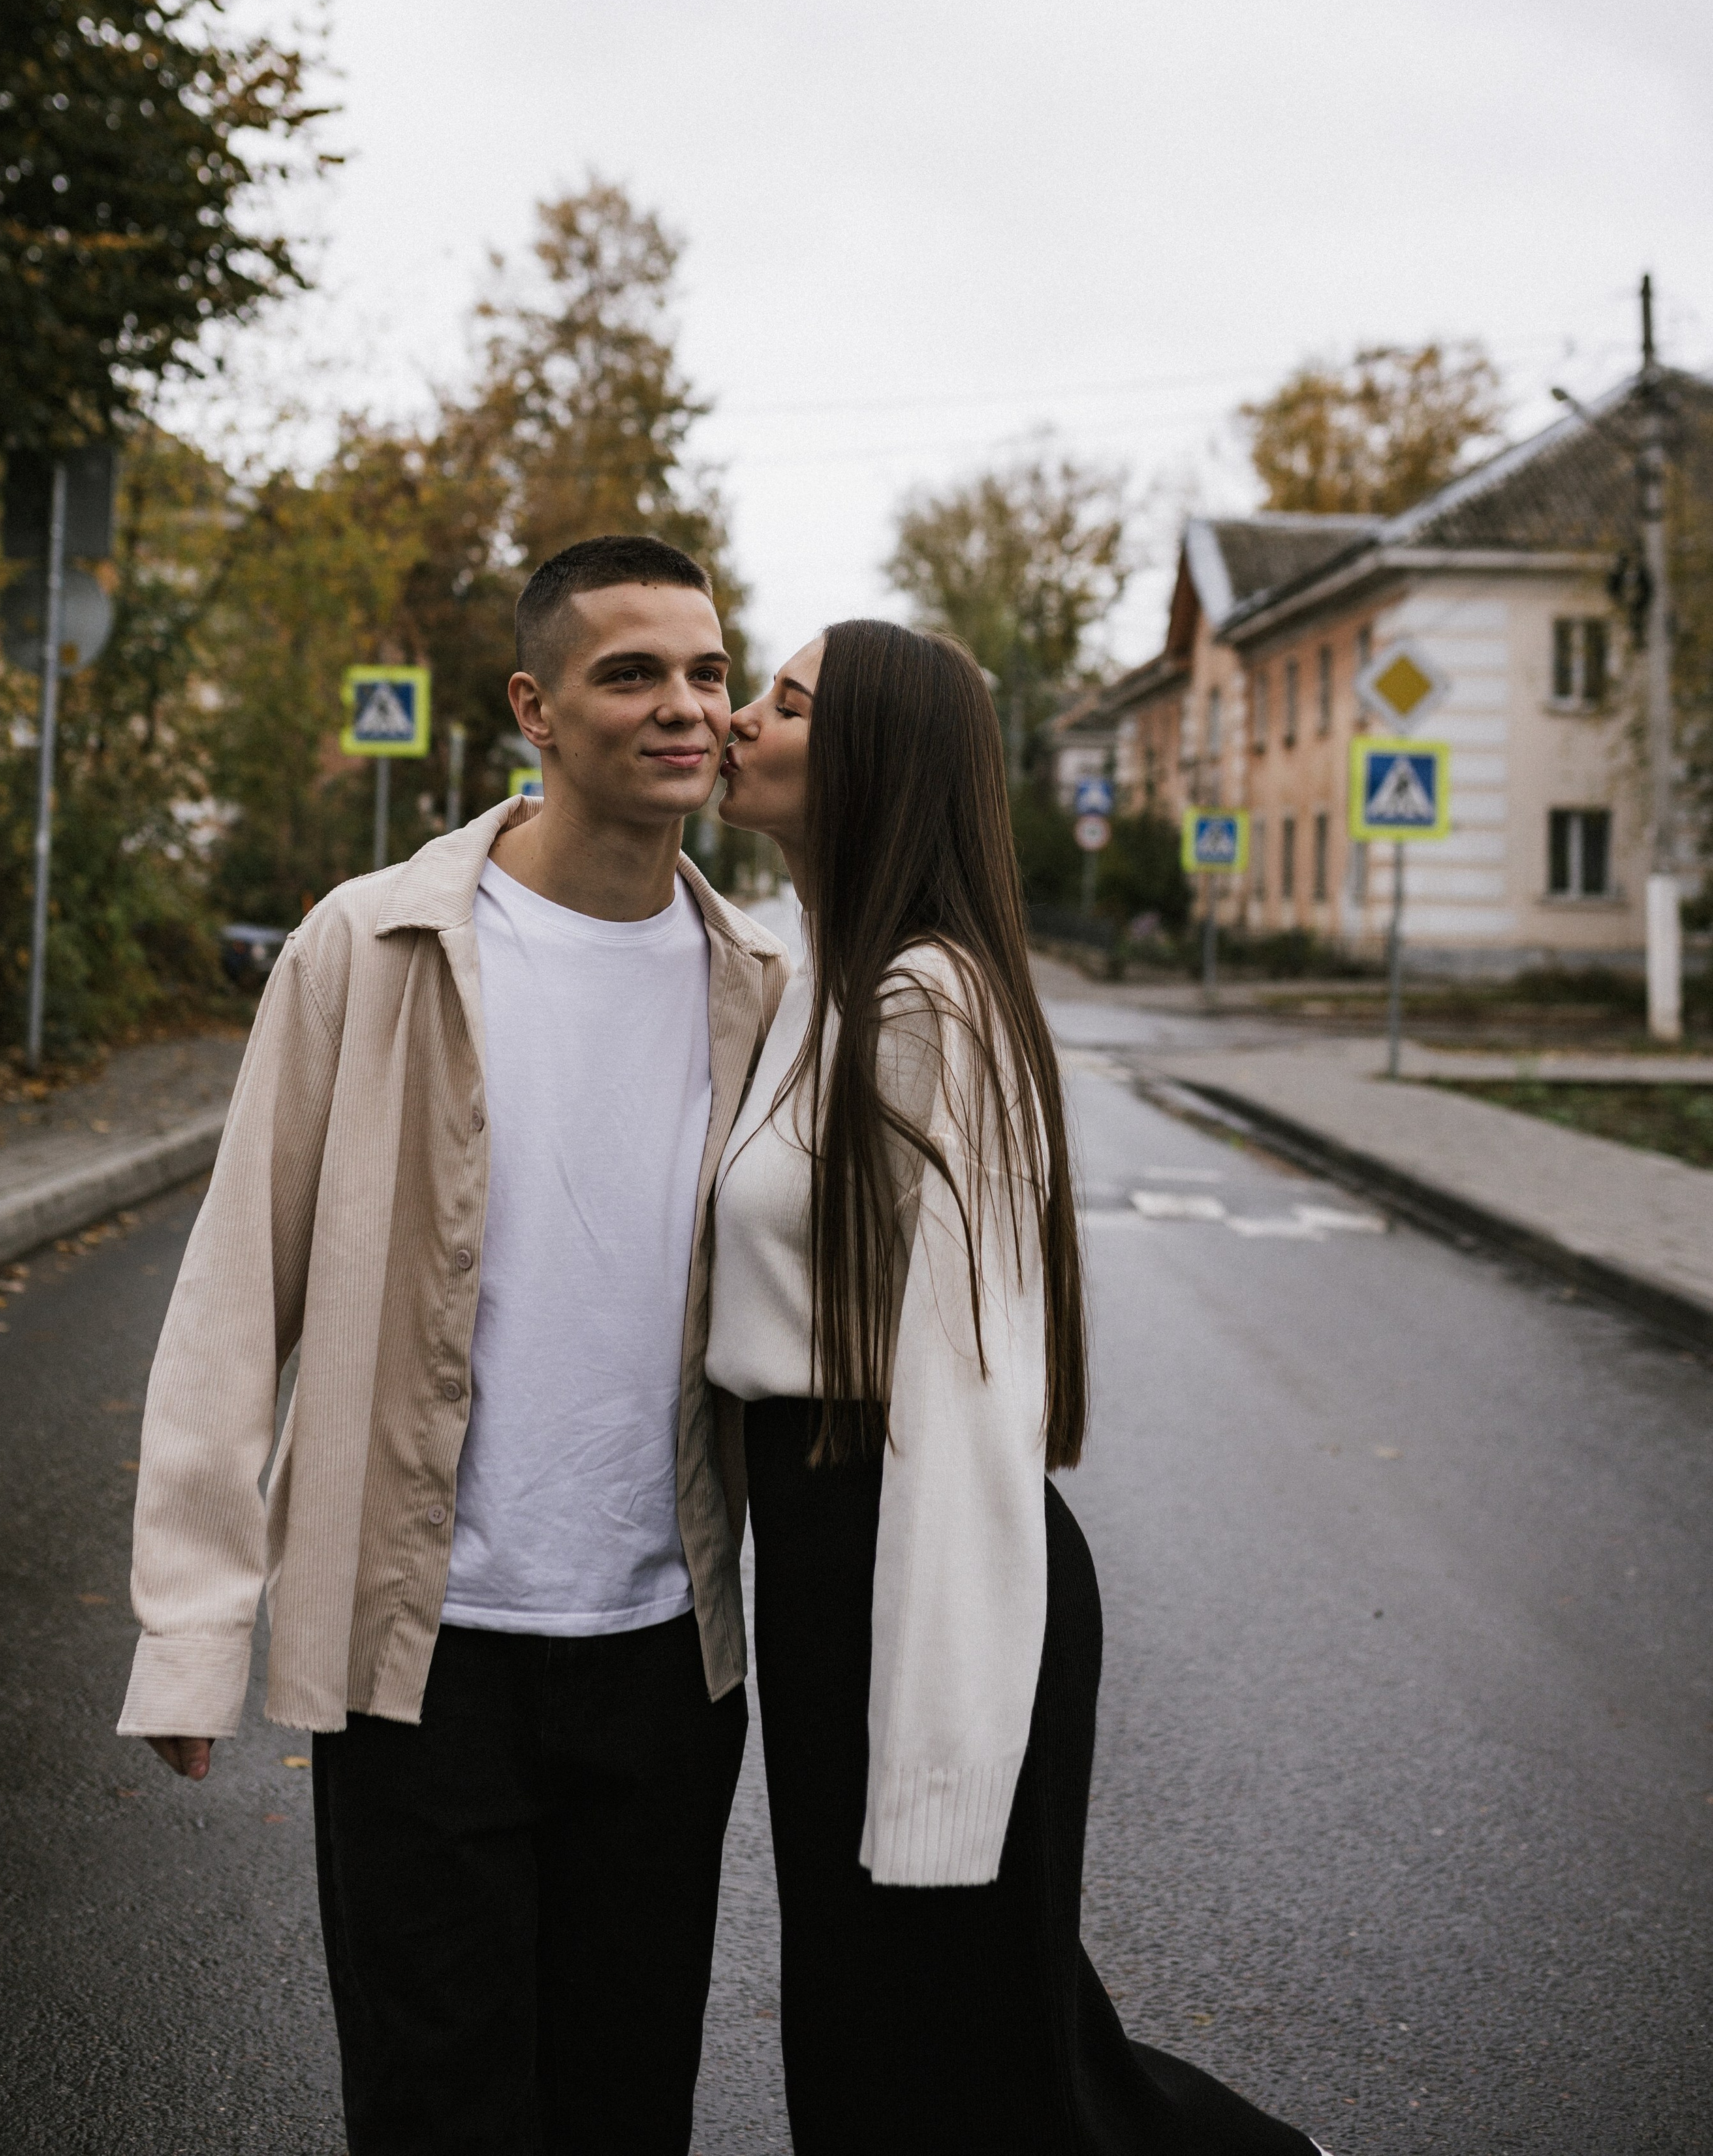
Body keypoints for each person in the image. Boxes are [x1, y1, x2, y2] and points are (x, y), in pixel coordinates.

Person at [119, 535, 791, 2156]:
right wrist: (194, 1627)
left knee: (626, 2106)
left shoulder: (763, 982)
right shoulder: (372, 944)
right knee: (438, 2111)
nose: (684, 707)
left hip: (663, 1659)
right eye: (630, 672)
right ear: (535, 709)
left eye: (706, 671)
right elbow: (234, 1293)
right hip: (423, 1667)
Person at [707, 618, 1330, 2156]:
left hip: (919, 1557)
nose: (732, 721)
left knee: (966, 2043)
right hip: (821, 1548)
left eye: (780, 704)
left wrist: (934, 1756)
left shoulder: (936, 1011)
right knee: (922, 2018)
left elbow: (973, 1390)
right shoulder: (814, 973)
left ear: (860, 760)